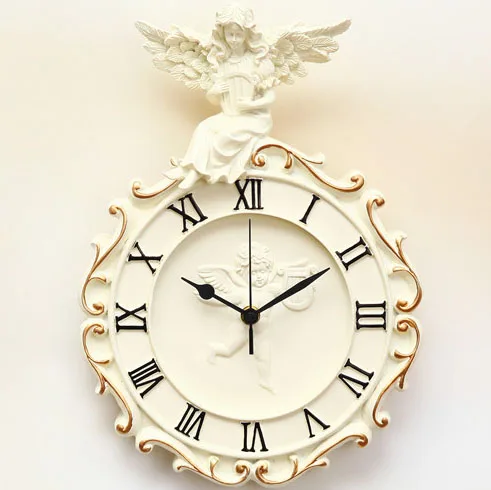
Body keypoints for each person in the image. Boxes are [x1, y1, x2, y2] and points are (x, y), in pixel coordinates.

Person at [167, 6, 275, 189]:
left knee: (224, 136)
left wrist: (252, 105)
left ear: (247, 35)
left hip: (255, 118)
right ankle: (191, 170)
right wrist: (214, 92)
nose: (234, 39)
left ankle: (208, 172)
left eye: (238, 35)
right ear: (222, 34)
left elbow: (270, 96)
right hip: (229, 115)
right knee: (203, 128)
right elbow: (215, 100)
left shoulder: (259, 62)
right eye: (229, 34)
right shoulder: (220, 62)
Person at [207, 242, 280, 393]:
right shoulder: (243, 293)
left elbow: (280, 271)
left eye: (262, 272)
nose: (259, 277)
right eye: (253, 273)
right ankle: (214, 349)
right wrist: (207, 296)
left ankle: (264, 381)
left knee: (264, 356)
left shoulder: (271, 290)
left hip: (261, 332)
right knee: (228, 350)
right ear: (245, 275)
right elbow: (224, 300)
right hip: (243, 329)